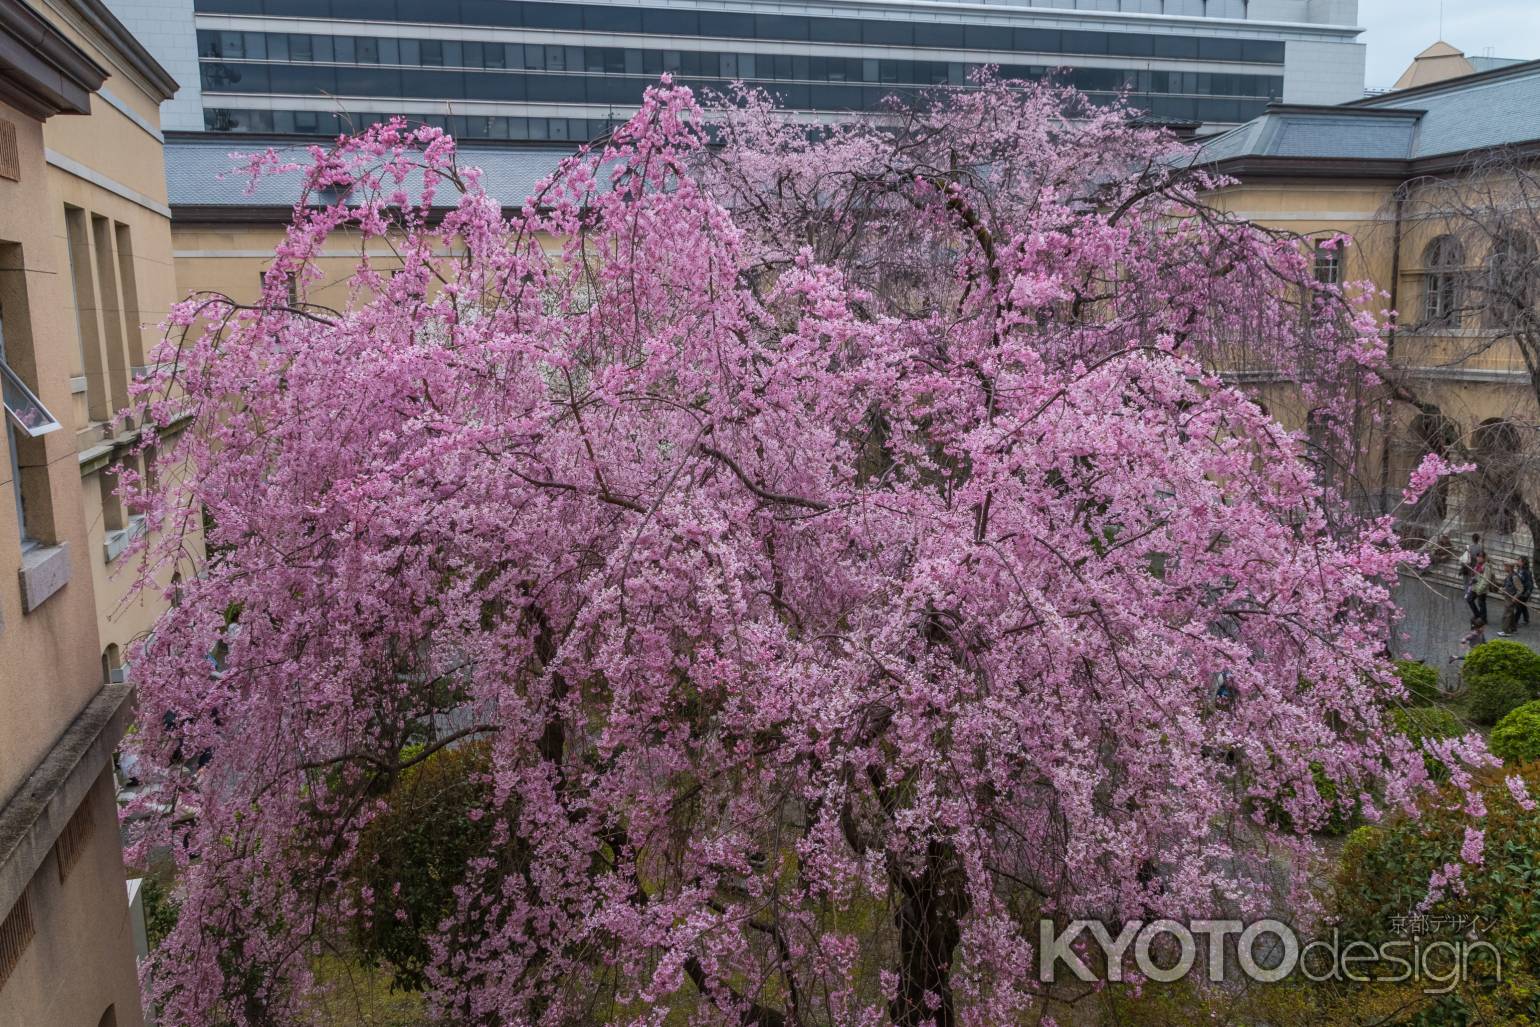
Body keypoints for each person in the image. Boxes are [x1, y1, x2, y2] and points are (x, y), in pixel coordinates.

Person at [1500, 561, 1523, 636]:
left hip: (1511, 599)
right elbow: (1508, 586)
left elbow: (1520, 589)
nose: (1504, 568)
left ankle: (1506, 631)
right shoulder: (1509, 576)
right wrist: (1503, 589)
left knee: (1507, 615)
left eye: (1506, 566)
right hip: (1507, 597)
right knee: (1511, 614)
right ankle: (1513, 629)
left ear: (1510, 567)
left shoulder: (1514, 577)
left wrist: (1515, 597)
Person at [1521, 557, 1534, 627]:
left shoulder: (1526, 572)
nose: (1518, 562)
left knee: (1520, 605)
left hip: (1526, 591)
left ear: (1523, 562)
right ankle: (1526, 619)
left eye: (1519, 561)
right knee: (1522, 605)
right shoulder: (1520, 569)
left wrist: (1527, 593)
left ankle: (1515, 620)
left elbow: (1529, 584)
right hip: (1522, 590)